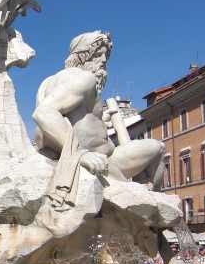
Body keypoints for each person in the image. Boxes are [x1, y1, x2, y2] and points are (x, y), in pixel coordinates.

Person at [33, 31, 165, 191]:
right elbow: (44, 113)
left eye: (105, 56)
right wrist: (80, 154)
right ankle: (151, 200)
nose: (103, 61)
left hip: (99, 157)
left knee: (150, 150)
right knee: (158, 147)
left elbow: (74, 119)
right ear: (82, 55)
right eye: (98, 55)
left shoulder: (52, 81)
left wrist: (102, 120)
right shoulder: (83, 79)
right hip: (101, 161)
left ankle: (143, 197)